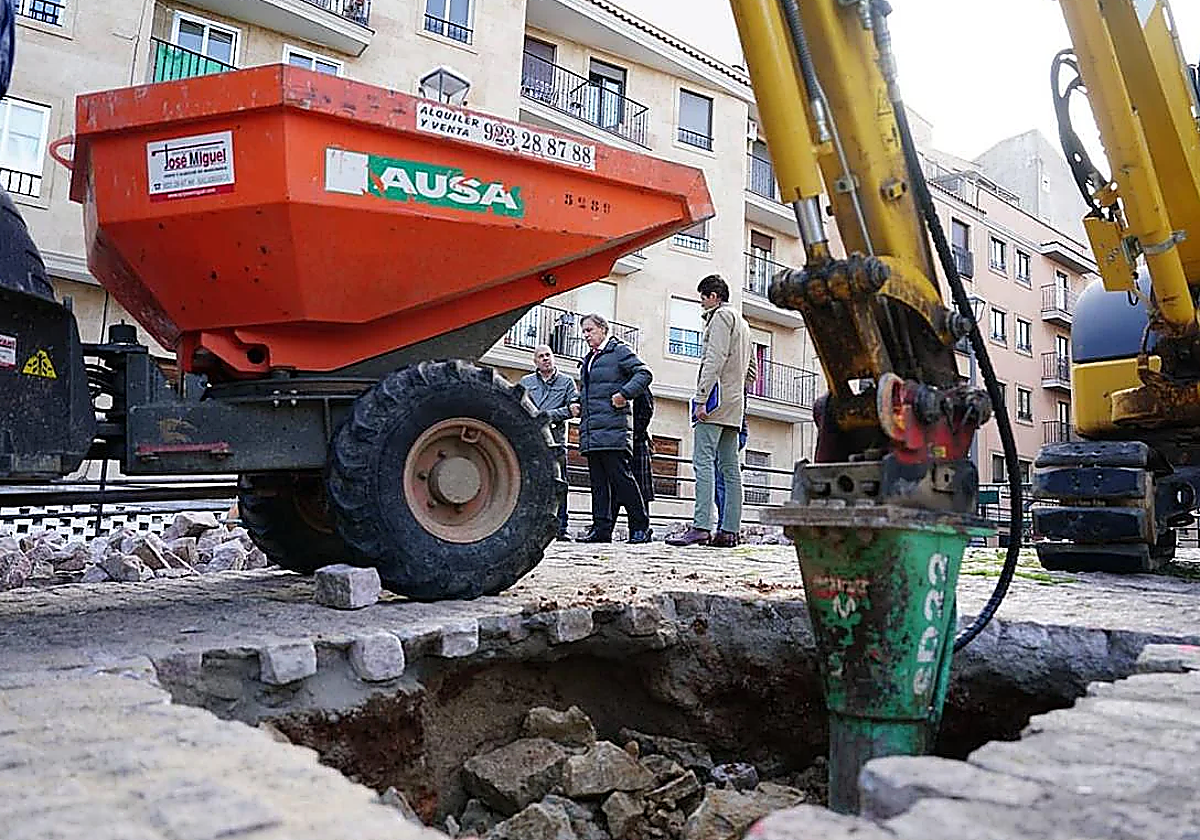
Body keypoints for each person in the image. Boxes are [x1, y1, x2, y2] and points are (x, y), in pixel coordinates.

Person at [667, 274, 756, 548]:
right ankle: (729, 530)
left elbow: (713, 359)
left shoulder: (719, 318)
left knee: (703, 462)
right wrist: (735, 394)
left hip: (715, 403)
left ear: (713, 296)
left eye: (702, 298)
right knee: (730, 468)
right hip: (735, 405)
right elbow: (751, 372)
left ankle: (701, 526)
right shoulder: (744, 323)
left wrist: (702, 398)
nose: (701, 303)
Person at [576, 313, 653, 544]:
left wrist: (624, 394)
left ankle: (640, 527)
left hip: (613, 430)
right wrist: (578, 403)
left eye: (589, 330)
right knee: (598, 484)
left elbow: (644, 374)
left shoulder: (619, 350)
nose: (586, 335)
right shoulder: (589, 359)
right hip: (592, 431)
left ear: (602, 329)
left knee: (622, 480)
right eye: (584, 331)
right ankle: (601, 529)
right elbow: (591, 392)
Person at [520, 345, 580, 540]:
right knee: (530, 483)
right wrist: (540, 418)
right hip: (532, 441)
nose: (545, 359)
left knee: (560, 484)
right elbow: (520, 408)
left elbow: (574, 410)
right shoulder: (526, 382)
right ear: (535, 361)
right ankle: (530, 528)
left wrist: (543, 416)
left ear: (553, 358)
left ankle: (561, 527)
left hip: (556, 441)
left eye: (548, 355)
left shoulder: (567, 382)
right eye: (541, 356)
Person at [610, 389, 656, 535]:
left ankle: (640, 530)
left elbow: (646, 410)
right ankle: (606, 529)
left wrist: (634, 433)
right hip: (617, 439)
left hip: (635, 441)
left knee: (640, 490)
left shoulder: (639, 385)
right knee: (613, 489)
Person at [715, 412, 749, 527]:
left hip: (727, 429)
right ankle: (726, 525)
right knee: (719, 487)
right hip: (728, 428)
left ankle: (725, 525)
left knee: (722, 486)